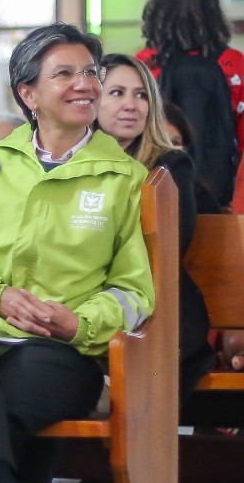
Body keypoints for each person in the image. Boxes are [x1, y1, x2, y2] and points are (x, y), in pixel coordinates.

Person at [0, 24, 154, 483]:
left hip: (58, 349)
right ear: (28, 93)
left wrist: (79, 324)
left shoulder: (127, 178)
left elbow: (133, 290)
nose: (85, 84)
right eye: (65, 73)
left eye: (90, 72)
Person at [96, 53, 215, 404]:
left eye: (142, 94)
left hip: (159, 310)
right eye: (117, 92)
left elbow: (165, 248)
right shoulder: (74, 163)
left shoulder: (171, 165)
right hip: (85, 303)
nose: (131, 104)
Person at [136, 0, 242, 207]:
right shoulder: (236, 65)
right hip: (219, 194)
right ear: (213, 13)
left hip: (151, 192)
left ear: (156, 13)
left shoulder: (140, 67)